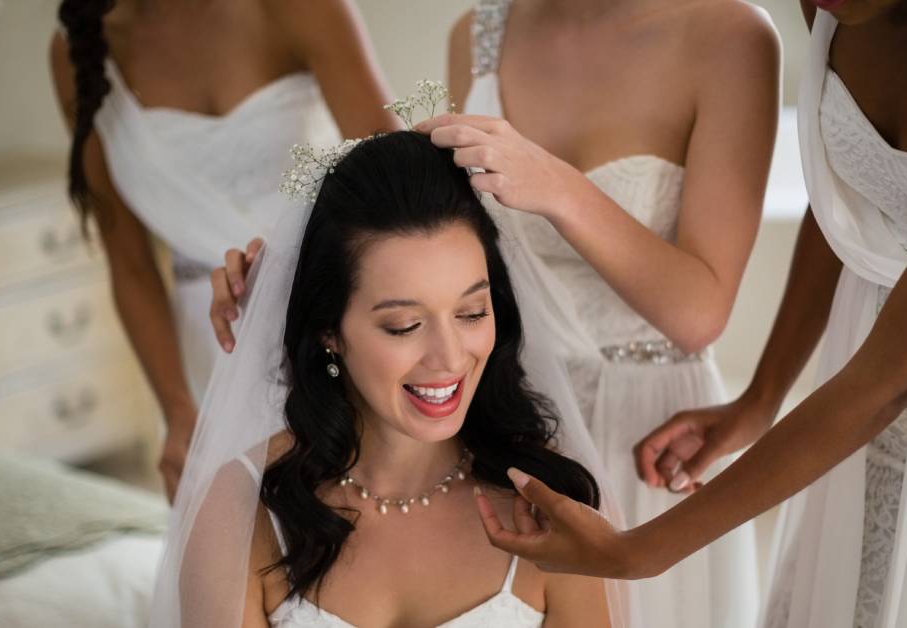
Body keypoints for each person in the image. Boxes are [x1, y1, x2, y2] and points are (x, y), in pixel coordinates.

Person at [472, 2, 907, 628]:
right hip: (863, 367)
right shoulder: (839, 7)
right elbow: (853, 201)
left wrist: (638, 551)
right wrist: (760, 398)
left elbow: (887, 380)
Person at [152, 130, 630, 628]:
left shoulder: (551, 502)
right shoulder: (240, 508)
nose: (449, 357)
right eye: (404, 325)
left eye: (471, 313)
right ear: (329, 331)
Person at [49, 0, 397, 499]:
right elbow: (129, 263)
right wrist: (178, 411)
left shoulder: (301, 8)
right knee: (241, 545)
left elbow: (394, 190)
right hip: (211, 351)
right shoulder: (76, 51)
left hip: (329, 318)